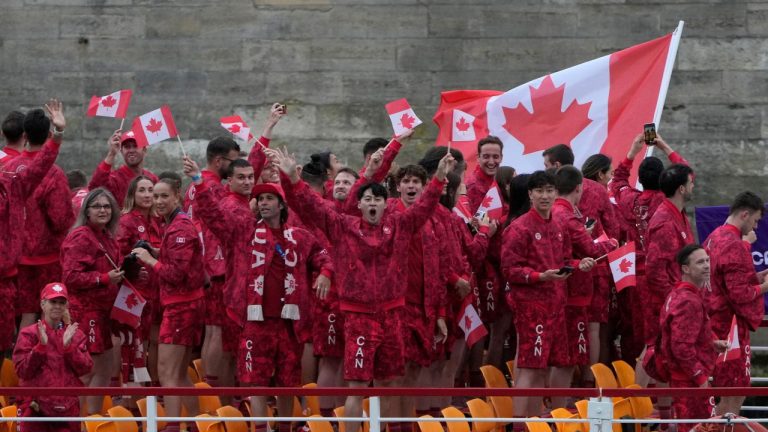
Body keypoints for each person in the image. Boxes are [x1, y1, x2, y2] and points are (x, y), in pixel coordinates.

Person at [277, 146, 455, 432]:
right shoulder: (342, 226)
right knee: (357, 386)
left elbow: (425, 205)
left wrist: (439, 179)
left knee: (390, 383)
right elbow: (309, 204)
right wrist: (291, 179)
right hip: (359, 319)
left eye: (378, 200)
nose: (373, 204)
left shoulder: (401, 225)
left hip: (393, 316)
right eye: (368, 199)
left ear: (387, 204)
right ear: (358, 204)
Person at [183, 155, 333, 432]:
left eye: (268, 199)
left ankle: (286, 427)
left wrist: (324, 274)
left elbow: (323, 256)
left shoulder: (298, 236)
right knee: (258, 381)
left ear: (281, 205)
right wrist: (197, 181)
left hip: (289, 325)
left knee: (288, 384)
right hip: (256, 322)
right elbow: (213, 215)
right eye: (259, 199)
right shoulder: (243, 232)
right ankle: (261, 427)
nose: (263, 203)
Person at [501, 171, 596, 419]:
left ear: (556, 193)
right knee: (530, 369)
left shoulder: (559, 224)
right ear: (530, 194)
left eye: (549, 190)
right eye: (539, 191)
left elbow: (565, 261)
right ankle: (519, 425)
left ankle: (535, 423)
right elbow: (509, 270)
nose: (545, 196)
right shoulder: (519, 228)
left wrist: (579, 264)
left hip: (557, 305)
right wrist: (539, 276)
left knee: (543, 369)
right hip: (531, 307)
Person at [609, 132, 688, 375]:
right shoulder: (667, 203)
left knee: (635, 334)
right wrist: (663, 144)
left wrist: (633, 151)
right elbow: (686, 171)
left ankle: (638, 392)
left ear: (640, 179)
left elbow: (617, 181)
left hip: (632, 277)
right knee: (657, 339)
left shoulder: (627, 199)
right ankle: (647, 394)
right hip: (661, 278)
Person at [131, 178, 204, 431]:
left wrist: (148, 260)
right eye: (156, 196)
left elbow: (175, 274)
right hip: (185, 304)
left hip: (181, 306)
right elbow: (176, 257)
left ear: (177, 196)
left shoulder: (179, 227)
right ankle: (195, 425)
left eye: (164, 196)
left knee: (167, 372)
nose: (159, 201)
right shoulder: (174, 224)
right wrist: (154, 250)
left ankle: (173, 426)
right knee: (180, 373)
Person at [543, 144, 618, 368]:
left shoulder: (551, 204)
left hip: (570, 271)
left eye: (547, 165)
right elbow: (613, 229)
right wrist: (612, 243)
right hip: (588, 268)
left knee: (567, 332)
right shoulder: (593, 192)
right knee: (592, 328)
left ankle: (576, 385)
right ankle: (588, 382)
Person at [0, 99, 65, 356]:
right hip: (38, 260)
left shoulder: (11, 181)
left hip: (10, 274)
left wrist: (58, 136)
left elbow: (39, 167)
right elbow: (60, 218)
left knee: (7, 339)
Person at [183, 136, 240, 395]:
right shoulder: (213, 187)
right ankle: (214, 390)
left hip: (203, 263)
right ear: (220, 161)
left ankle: (208, 385)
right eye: (234, 161)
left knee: (211, 330)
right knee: (216, 331)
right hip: (216, 265)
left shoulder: (194, 186)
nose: (238, 167)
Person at [703, 191, 768, 416]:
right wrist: (766, 287)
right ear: (745, 214)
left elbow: (728, 280)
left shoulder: (714, 236)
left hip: (714, 321)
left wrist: (758, 277)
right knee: (735, 389)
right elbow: (740, 295)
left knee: (725, 388)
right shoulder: (735, 244)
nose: (756, 227)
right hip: (731, 330)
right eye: (755, 220)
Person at [60, 188, 123, 415]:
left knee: (104, 368)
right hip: (86, 312)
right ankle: (72, 419)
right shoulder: (81, 236)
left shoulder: (106, 235)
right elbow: (71, 276)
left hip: (104, 312)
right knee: (89, 369)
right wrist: (104, 278)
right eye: (97, 206)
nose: (103, 210)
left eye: (107, 206)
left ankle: (92, 420)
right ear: (86, 210)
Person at [659, 245, 723, 431]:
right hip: (690, 382)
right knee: (699, 428)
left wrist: (711, 343)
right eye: (700, 262)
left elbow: (684, 337)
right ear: (685, 269)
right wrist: (701, 378)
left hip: (687, 379)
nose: (706, 266)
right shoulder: (688, 299)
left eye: (707, 261)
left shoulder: (679, 293)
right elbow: (680, 347)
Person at [13, 283, 92, 432]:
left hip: (68, 411)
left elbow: (85, 368)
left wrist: (69, 348)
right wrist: (40, 347)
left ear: (66, 306)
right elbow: (22, 371)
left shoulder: (75, 334)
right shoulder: (28, 334)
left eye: (61, 302)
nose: (57, 306)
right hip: (35, 411)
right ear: (43, 304)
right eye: (53, 301)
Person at [117, 175, 163, 385]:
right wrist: (132, 270)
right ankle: (130, 394)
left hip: (155, 292)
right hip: (133, 293)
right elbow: (117, 256)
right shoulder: (126, 221)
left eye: (150, 190)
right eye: (142, 190)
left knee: (148, 342)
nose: (147, 195)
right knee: (133, 344)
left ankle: (148, 390)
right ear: (132, 195)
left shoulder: (157, 221)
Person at [88, 129, 159, 205]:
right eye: (127, 147)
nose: (131, 150)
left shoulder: (153, 179)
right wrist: (111, 153)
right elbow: (94, 188)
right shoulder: (115, 179)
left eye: (135, 146)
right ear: (121, 151)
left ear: (144, 150)